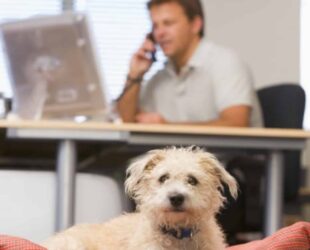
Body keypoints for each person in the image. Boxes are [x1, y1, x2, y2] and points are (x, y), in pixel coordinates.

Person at [117, 0, 262, 127]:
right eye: (155, 26)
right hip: (179, 156)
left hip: (226, 157)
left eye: (168, 23)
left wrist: (168, 128)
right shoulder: (161, 77)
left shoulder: (225, 62)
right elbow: (130, 122)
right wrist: (135, 75)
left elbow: (236, 123)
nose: (160, 33)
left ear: (195, 25)